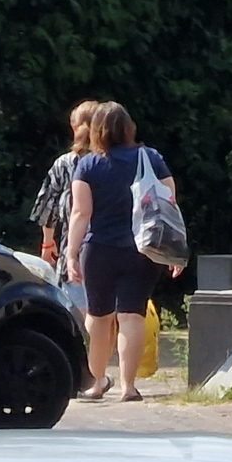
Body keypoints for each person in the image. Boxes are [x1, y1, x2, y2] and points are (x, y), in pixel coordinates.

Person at [65, 101, 179, 402]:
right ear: (129, 128)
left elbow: (80, 213)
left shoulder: (88, 164)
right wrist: (176, 251)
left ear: (96, 131)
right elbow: (170, 204)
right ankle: (129, 386)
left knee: (98, 316)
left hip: (99, 248)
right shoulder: (151, 158)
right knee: (132, 315)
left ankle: (97, 382)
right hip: (143, 249)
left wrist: (71, 253)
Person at [31, 101, 96, 265]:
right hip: (114, 255)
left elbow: (47, 207)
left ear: (74, 129)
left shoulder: (65, 164)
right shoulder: (115, 161)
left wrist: (47, 243)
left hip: (73, 257)